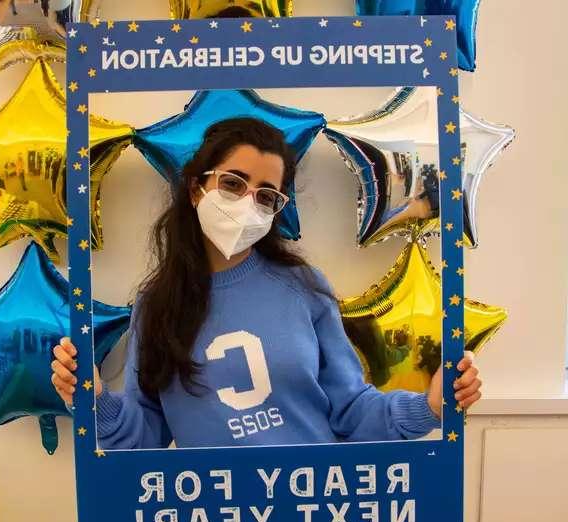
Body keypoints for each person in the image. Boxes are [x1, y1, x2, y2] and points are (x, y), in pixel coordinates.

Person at [51, 117, 482, 449]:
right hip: (217, 519)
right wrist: (94, 401)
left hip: (315, 504)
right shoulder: (156, 305)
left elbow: (351, 409)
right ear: (197, 188)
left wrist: (427, 408)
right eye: (233, 183)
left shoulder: (304, 289)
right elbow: (144, 435)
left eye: (265, 195)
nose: (246, 202)